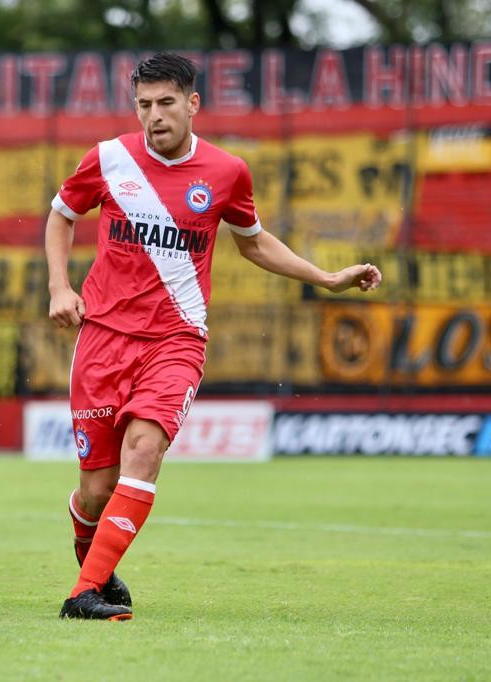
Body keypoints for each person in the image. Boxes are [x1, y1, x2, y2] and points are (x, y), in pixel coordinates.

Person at [45, 53, 382, 620]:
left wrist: (325, 277)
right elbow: (61, 216)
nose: (155, 116)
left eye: (166, 103)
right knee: (95, 492)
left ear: (193, 103)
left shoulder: (227, 172)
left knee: (145, 449)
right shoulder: (107, 159)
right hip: (102, 337)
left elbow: (253, 242)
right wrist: (59, 286)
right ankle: (96, 566)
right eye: (144, 105)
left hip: (176, 340)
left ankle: (83, 594)